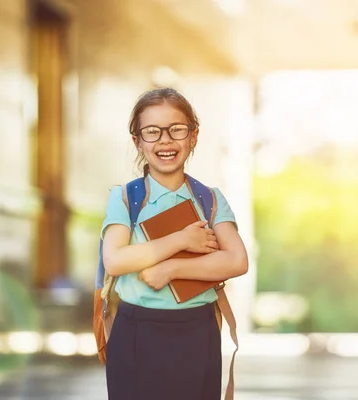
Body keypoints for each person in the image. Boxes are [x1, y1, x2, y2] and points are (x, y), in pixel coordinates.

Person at [101, 87, 248, 399]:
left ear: (193, 137)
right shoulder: (126, 198)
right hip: (136, 331)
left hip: (197, 331)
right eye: (152, 132)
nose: (165, 140)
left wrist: (171, 269)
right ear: (137, 141)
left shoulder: (210, 199)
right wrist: (181, 239)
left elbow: (236, 261)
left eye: (176, 129)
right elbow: (114, 259)